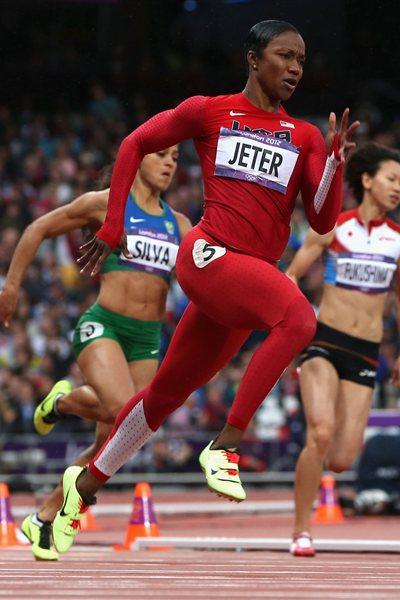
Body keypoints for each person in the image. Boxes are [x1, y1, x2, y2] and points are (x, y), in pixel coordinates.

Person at [52, 19, 359, 554]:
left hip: (245, 284)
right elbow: (133, 144)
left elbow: (321, 218)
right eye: (285, 57)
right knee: (300, 319)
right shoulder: (209, 110)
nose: (294, 69)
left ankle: (81, 489)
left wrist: (333, 167)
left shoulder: (305, 136)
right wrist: (112, 222)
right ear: (253, 58)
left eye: (302, 62)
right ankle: (227, 444)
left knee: (164, 396)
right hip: (209, 254)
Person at [0, 146, 191, 560]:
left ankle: (45, 516)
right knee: (122, 409)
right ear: (138, 158)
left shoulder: (179, 224)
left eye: (176, 155)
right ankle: (66, 401)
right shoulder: (106, 204)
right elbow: (36, 229)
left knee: (120, 441)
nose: (170, 162)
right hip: (103, 325)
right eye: (161, 153)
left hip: (147, 341)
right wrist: (11, 286)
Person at [286, 142, 400, 557]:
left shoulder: (397, 240)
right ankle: (301, 530)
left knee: (340, 458)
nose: (398, 188)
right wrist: (290, 328)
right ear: (367, 181)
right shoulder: (334, 226)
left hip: (366, 352)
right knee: (319, 431)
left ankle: (311, 503)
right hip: (325, 341)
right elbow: (293, 276)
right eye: (392, 178)